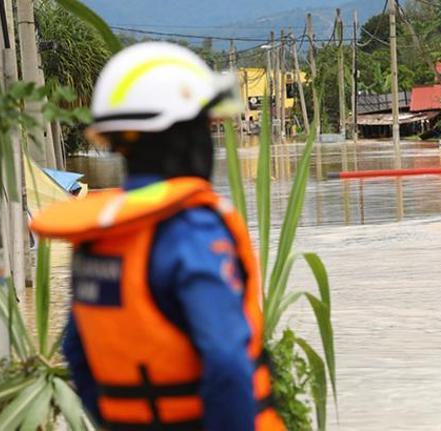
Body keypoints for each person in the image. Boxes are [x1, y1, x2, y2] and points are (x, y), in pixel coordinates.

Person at [30, 42, 284, 431]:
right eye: (206, 128)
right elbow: (227, 362)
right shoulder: (190, 232)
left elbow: (76, 353)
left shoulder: (99, 237)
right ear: (183, 136)